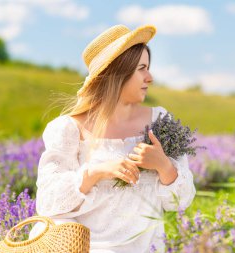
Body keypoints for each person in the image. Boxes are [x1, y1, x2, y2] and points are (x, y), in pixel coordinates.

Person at [29, 24, 196, 253]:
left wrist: (163, 165)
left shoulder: (161, 121)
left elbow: (182, 201)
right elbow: (48, 202)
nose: (150, 77)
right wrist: (96, 171)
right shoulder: (68, 128)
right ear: (118, 73)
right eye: (141, 68)